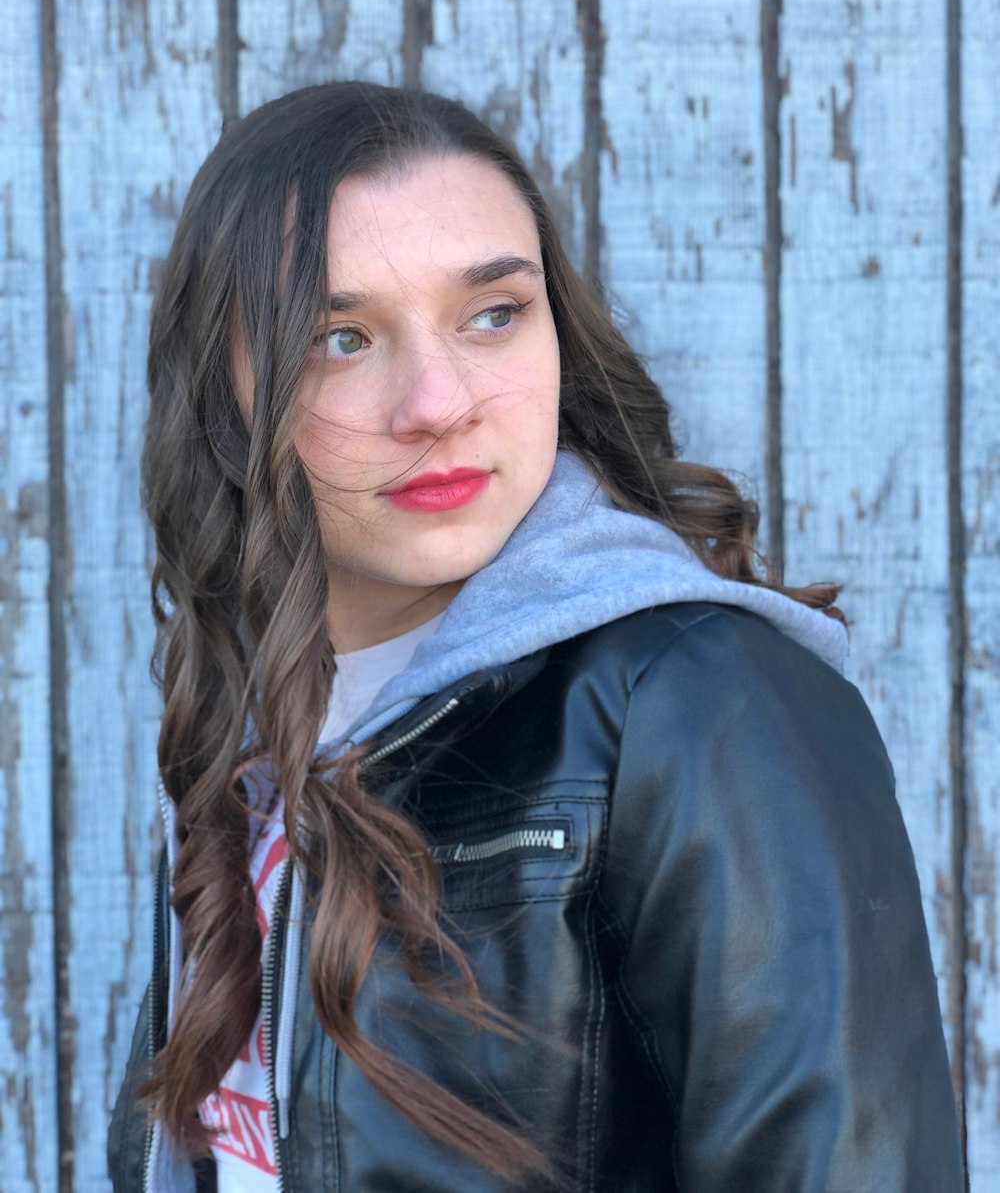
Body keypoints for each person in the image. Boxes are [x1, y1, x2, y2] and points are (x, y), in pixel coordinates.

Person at [108, 81, 964, 1192]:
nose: (436, 399)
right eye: (341, 336)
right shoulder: (263, 727)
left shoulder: (698, 701)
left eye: (492, 313)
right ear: (224, 390)